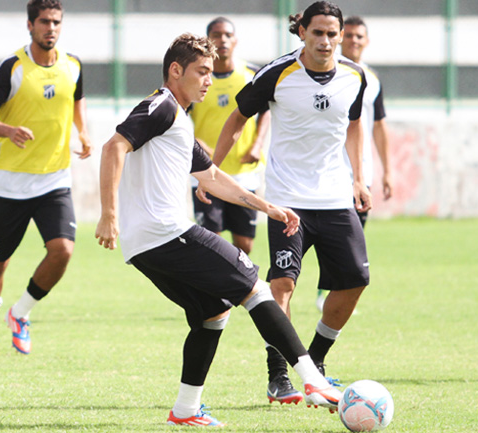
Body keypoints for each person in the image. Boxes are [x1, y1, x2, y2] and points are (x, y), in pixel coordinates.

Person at [95, 33, 342, 426]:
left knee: (212, 314)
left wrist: (269, 207)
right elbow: (113, 147)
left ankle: (186, 410)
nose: (209, 80)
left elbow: (210, 176)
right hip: (167, 231)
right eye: (202, 71)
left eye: (211, 72)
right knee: (256, 288)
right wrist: (108, 214)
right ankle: (313, 380)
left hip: (144, 244)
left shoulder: (178, 117)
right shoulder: (160, 106)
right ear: (176, 71)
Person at [212, 1, 372, 405]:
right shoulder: (276, 73)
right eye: (317, 32)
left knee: (355, 280)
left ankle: (313, 364)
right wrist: (211, 172)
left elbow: (353, 127)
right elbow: (236, 119)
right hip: (287, 201)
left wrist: (361, 178)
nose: (325, 41)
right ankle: (279, 377)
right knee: (282, 284)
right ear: (302, 32)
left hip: (336, 199)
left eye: (332, 34)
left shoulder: (355, 78)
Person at [0, 0, 91, 356]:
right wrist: (7, 130)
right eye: (44, 22)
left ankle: (20, 313)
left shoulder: (73, 65)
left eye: (56, 22)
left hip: (54, 180)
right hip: (9, 184)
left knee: (63, 251)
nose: (50, 28)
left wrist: (83, 133)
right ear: (30, 25)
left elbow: (77, 101)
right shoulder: (13, 67)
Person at [315, 15, 393, 311]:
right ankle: (324, 293)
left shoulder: (371, 80)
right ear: (340, 38)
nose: (354, 41)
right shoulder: (325, 74)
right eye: (350, 36)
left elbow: (379, 126)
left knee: (352, 238)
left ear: (367, 42)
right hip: (329, 172)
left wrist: (387, 171)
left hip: (362, 174)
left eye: (360, 37)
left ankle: (336, 292)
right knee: (327, 235)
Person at [189, 16, 271, 255]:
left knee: (244, 245)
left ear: (235, 40)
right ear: (207, 41)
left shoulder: (252, 74)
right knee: (211, 243)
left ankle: (236, 291)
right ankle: (215, 293)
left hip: (243, 173)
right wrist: (193, 141)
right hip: (206, 171)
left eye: (227, 35)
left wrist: (257, 145)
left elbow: (266, 111)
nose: (222, 40)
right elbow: (178, 114)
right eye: (216, 35)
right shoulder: (195, 76)